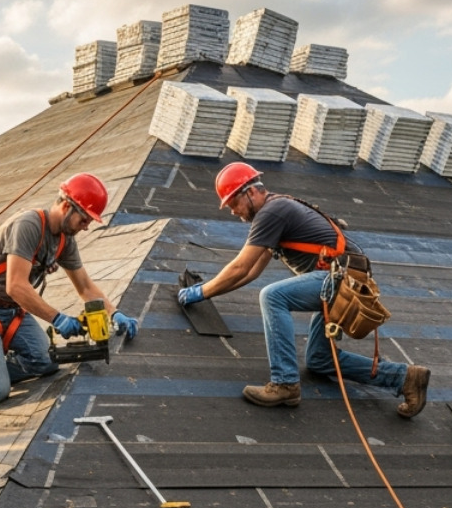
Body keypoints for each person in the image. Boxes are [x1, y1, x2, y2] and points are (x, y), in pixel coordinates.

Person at [178, 161, 429, 415]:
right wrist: (207, 292)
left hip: (341, 280)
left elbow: (239, 268)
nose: (232, 211)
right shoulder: (275, 210)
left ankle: (285, 383)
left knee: (272, 296)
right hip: (344, 280)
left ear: (251, 192)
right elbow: (251, 272)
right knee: (320, 360)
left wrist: (200, 291)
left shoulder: (272, 212)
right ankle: (405, 378)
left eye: (233, 203)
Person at [0, 173, 137, 419]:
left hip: (11, 312)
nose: (86, 227)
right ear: (65, 206)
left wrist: (115, 312)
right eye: (84, 219)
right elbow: (16, 286)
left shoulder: (64, 241)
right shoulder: (29, 225)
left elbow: (85, 286)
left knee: (47, 362)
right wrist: (58, 318)